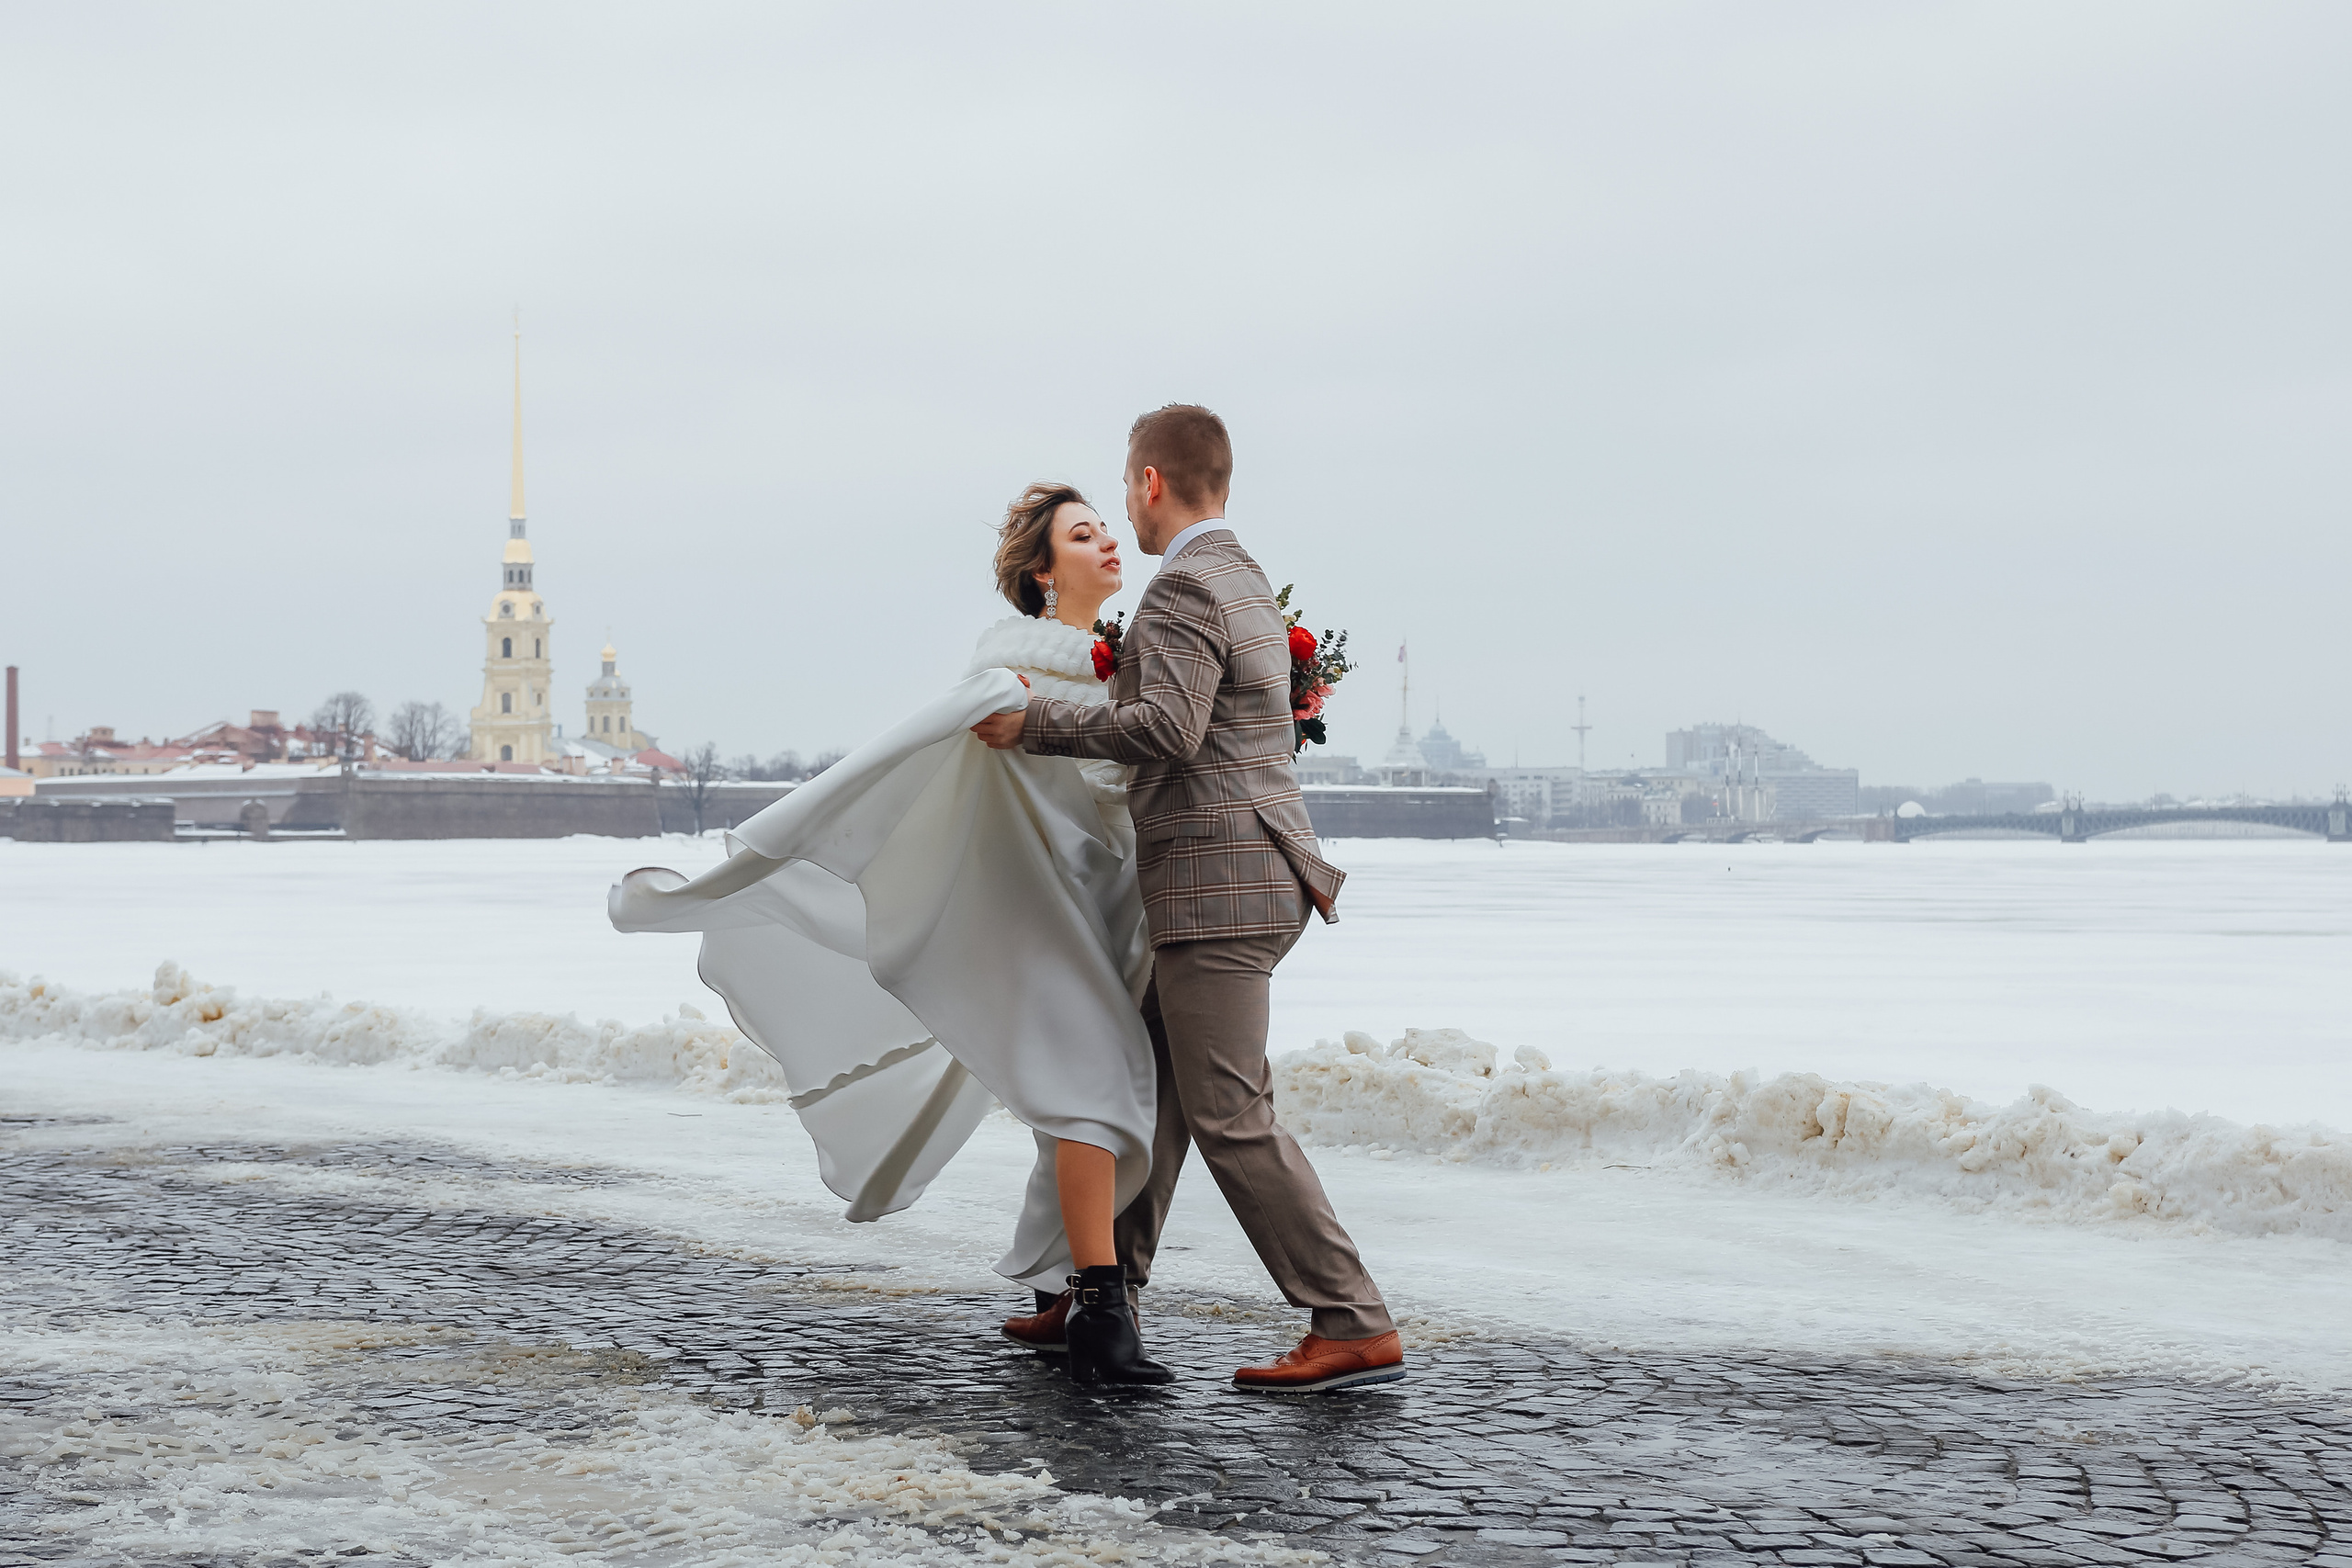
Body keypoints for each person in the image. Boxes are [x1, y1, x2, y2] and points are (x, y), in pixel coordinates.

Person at [608, 481, 1171, 1385]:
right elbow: (888, 770)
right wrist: (756, 858)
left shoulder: (1120, 669)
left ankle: (1062, 1293)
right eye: (1082, 534)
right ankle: (1102, 1313)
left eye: (1106, 530)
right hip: (1031, 928)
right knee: (1092, 1096)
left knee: (1078, 1103)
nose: (1108, 543)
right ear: (1040, 570)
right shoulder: (1008, 677)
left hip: (1102, 915)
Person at [974, 404, 1406, 1393]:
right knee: (1156, 1090)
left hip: (1219, 885)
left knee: (1227, 1111)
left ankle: (1351, 1319)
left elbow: (1166, 727)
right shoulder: (1243, 576)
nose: (1125, 511)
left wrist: (1033, 723)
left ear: (1152, 481)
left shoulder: (1182, 590)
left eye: (1126, 489)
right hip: (1255, 870)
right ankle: (1101, 1298)